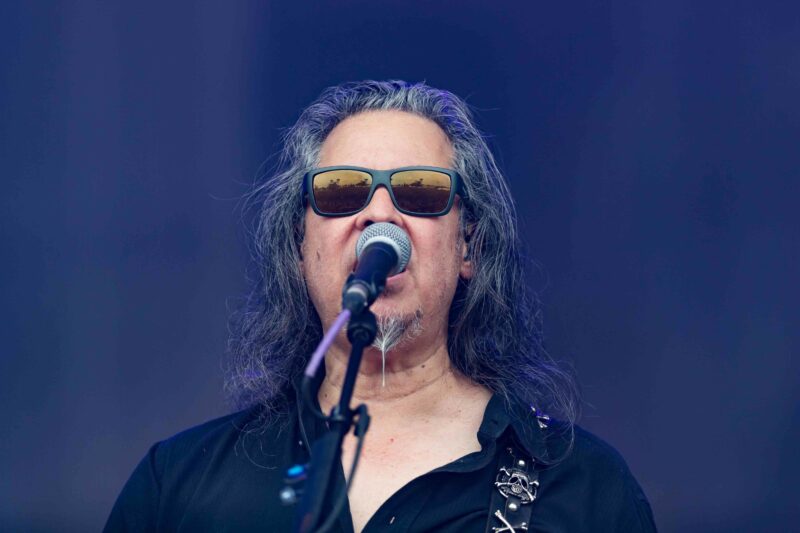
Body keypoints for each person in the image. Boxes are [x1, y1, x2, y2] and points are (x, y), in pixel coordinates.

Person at [105, 80, 657, 532]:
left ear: (467, 246)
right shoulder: (176, 486)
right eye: (342, 191)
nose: (380, 214)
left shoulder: (585, 489)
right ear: (300, 247)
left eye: (420, 191)